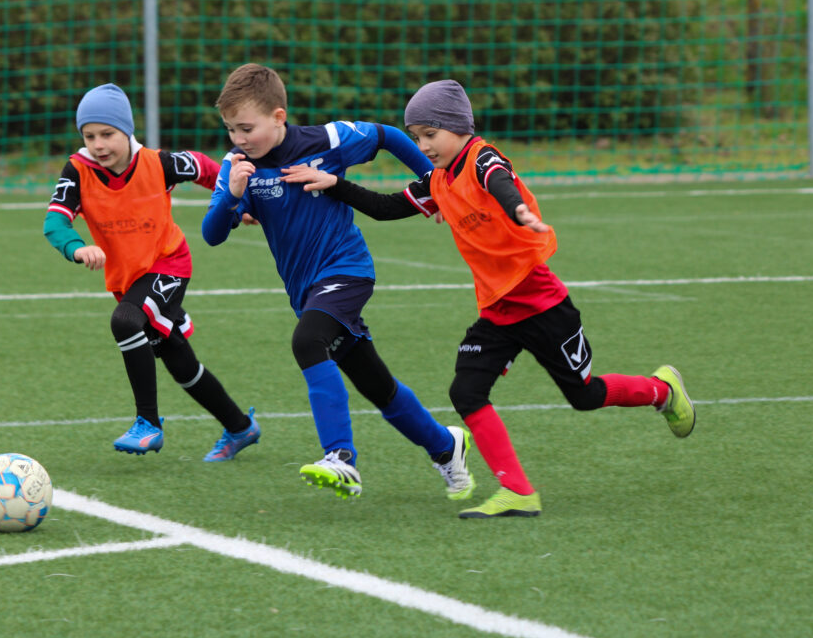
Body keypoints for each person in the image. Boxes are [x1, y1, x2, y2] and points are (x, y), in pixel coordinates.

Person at [282, 79, 696, 518]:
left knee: (585, 395)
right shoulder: (438, 180)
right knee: (466, 391)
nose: (423, 146)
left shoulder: (481, 157)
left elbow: (498, 179)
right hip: (497, 313)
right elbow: (386, 208)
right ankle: (517, 491)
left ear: (459, 126)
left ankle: (662, 390)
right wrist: (334, 183)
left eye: (430, 134)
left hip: (541, 304)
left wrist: (517, 208)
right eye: (417, 137)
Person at [202, 64, 475, 501]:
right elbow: (212, 235)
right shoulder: (237, 167)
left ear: (278, 116)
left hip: (347, 269)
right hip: (306, 290)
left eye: (246, 128)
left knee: (307, 341)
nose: (239, 138)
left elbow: (387, 136)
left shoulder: (326, 140)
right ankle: (445, 446)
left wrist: (436, 183)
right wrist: (233, 196)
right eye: (231, 129)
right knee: (376, 385)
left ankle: (340, 457)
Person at [44, 83, 260, 461]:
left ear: (127, 130)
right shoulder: (78, 170)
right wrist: (77, 248)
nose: (98, 145)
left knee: (125, 321)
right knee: (180, 363)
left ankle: (147, 423)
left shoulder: (158, 163)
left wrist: (237, 202)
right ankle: (240, 426)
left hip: (169, 263)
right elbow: (54, 222)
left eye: (107, 134)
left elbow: (207, 167)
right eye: (89, 136)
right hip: (129, 279)